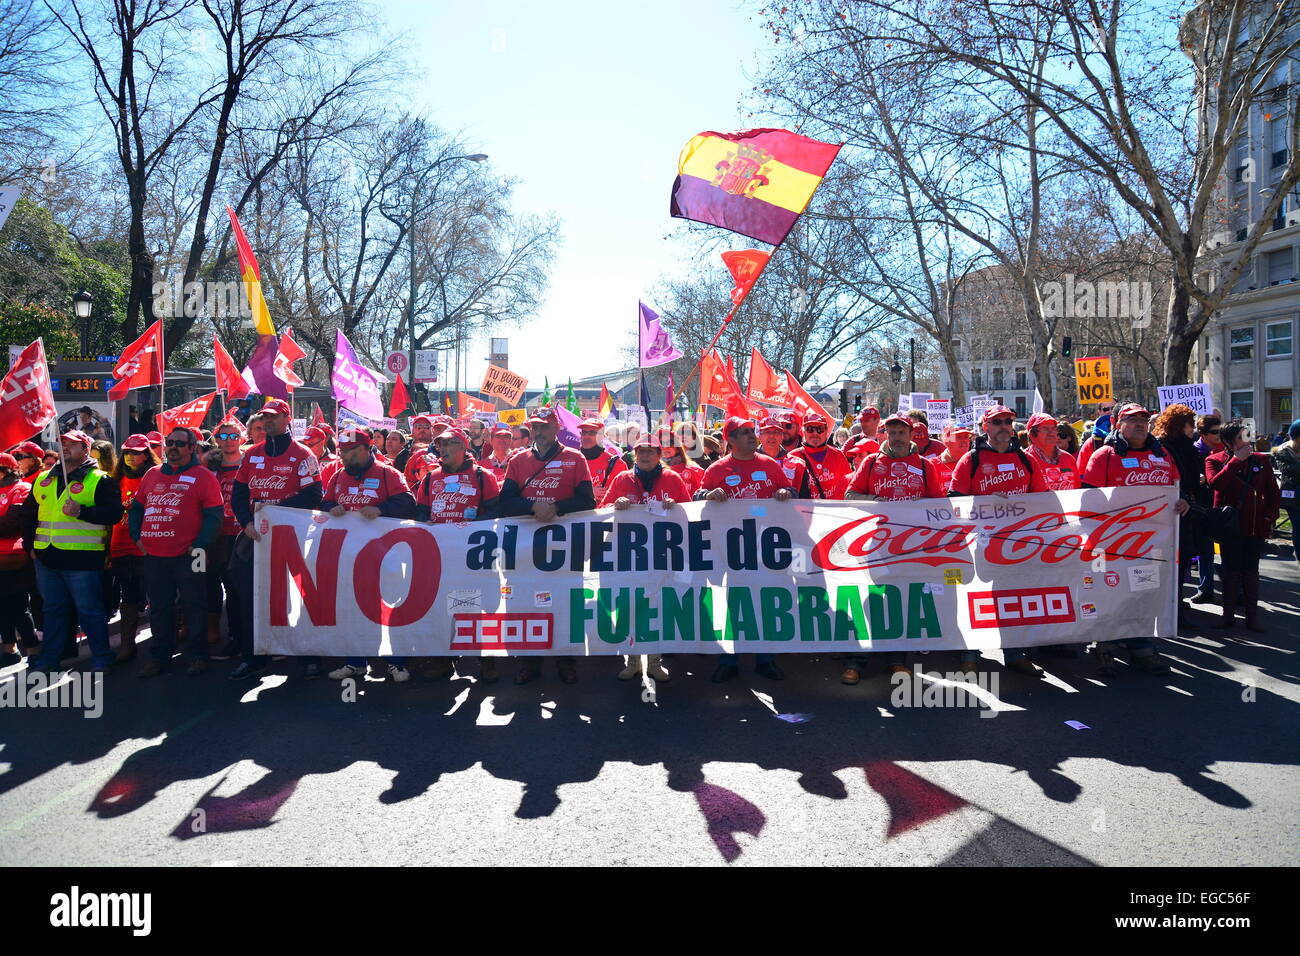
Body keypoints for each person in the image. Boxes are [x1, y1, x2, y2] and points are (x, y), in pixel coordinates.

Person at [1081, 403, 1190, 674]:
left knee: (1141, 595)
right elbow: (1087, 498)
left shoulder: (1162, 453)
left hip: (1150, 544)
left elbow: (1175, 491)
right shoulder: (1104, 455)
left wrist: (1182, 503)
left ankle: (1140, 648)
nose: (1140, 423)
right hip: (1110, 544)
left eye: (1143, 418)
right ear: (1118, 424)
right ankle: (1104, 648)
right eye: (1132, 419)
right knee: (1108, 594)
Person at [227, 399, 323, 680]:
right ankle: (252, 656)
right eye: (263, 417)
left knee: (298, 598)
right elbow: (239, 494)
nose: (267, 421)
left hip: (291, 537)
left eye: (273, 417)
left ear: (286, 418)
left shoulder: (303, 454)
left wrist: (282, 508)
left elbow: (314, 494)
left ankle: (308, 657)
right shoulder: (252, 454)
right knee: (249, 597)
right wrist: (245, 522)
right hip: (256, 536)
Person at [948, 406, 1048, 675]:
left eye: (1008, 421)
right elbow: (953, 501)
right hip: (978, 544)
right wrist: (987, 500)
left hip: (1016, 545)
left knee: (1012, 599)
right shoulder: (971, 460)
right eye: (997, 422)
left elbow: (1044, 499)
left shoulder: (1027, 460)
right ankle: (969, 653)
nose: (1004, 426)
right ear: (985, 427)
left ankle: (1014, 654)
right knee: (974, 597)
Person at [498, 408, 595, 684]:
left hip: (565, 548)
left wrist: (555, 508)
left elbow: (588, 501)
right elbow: (505, 502)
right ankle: (530, 662)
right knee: (527, 603)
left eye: (545, 427)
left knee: (565, 604)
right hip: (527, 548)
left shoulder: (574, 458)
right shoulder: (518, 460)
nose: (539, 432)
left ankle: (566, 661)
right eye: (536, 427)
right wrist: (533, 507)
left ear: (556, 428)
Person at [697, 417, 794, 683]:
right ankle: (729, 661)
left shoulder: (770, 465)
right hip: (731, 549)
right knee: (732, 605)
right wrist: (707, 496)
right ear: (730, 440)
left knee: (765, 602)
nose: (752, 436)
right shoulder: (717, 469)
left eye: (753, 431)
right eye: (745, 433)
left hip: (765, 546)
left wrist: (786, 492)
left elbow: (791, 492)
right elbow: (696, 500)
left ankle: (766, 660)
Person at [18, 431, 123, 673]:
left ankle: (102, 658)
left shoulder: (100, 479)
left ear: (85, 450)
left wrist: (82, 512)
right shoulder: (44, 477)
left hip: (82, 559)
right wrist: (30, 547)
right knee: (52, 611)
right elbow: (28, 516)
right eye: (62, 443)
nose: (64, 447)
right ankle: (49, 660)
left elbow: (114, 514)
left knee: (90, 611)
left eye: (72, 445)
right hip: (46, 558)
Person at [323, 426, 419, 683]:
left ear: (367, 449)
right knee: (351, 610)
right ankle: (355, 663)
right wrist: (332, 507)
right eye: (343, 451)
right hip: (348, 557)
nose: (346, 456)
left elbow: (408, 503)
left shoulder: (388, 474)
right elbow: (323, 504)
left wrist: (381, 509)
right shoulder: (337, 476)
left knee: (389, 609)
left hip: (385, 556)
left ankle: (395, 663)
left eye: (352, 451)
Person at [129, 427, 224, 676]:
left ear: (192, 448)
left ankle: (197, 656)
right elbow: (137, 509)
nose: (173, 447)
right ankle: (160, 657)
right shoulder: (152, 474)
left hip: (190, 555)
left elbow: (214, 515)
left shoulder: (204, 476)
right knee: (159, 608)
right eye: (169, 442)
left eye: (179, 443)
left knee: (195, 605)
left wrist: (200, 544)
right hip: (154, 554)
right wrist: (137, 537)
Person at [600, 437, 689, 683]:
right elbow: (602, 509)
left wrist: (677, 506)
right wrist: (614, 504)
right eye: (640, 452)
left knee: (658, 608)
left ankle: (655, 662)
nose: (645, 456)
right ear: (635, 455)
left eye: (650, 452)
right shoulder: (622, 479)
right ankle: (633, 661)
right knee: (630, 608)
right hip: (629, 558)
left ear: (659, 455)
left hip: (662, 557)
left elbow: (690, 513)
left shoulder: (673, 479)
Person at [413, 427, 499, 681]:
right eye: (440, 445)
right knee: (443, 608)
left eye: (450, 444)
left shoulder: (483, 476)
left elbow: (496, 513)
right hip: (442, 556)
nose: (444, 449)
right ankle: (444, 659)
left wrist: (469, 527)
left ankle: (487, 661)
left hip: (475, 557)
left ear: (463, 448)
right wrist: (425, 522)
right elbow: (420, 512)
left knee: (478, 609)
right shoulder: (430, 478)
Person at [1206, 422, 1281, 632]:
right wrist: (1235, 462)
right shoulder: (1215, 460)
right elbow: (1215, 484)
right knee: (1230, 570)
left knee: (1251, 570)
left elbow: (1273, 492)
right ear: (1228, 442)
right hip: (1230, 526)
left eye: (1246, 436)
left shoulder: (1261, 460)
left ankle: (1252, 617)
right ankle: (1227, 616)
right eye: (1240, 437)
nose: (1245, 441)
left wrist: (1270, 517)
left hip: (1255, 525)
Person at [106, 435, 158, 663]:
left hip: (149, 548)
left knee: (156, 596)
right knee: (127, 598)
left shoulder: (156, 477)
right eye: (126, 452)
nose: (130, 456)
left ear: (146, 454)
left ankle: (161, 644)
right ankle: (127, 645)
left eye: (136, 452)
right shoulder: (114, 481)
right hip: (120, 547)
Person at [1151, 403, 1204, 623]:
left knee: (1182, 558)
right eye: (1190, 424)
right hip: (1171, 508)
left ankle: (1176, 600)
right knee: (1169, 558)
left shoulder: (1188, 446)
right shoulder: (1163, 447)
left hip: (1186, 506)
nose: (1193, 429)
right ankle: (1169, 606)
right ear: (1179, 425)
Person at [205, 419, 246, 660]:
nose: (229, 441)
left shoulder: (251, 462)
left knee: (246, 590)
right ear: (217, 440)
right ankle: (234, 638)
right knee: (227, 590)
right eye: (224, 436)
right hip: (219, 537)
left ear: (241, 438)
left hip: (246, 535)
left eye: (233, 436)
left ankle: (253, 639)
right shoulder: (210, 467)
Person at [0, 454, 39, 666]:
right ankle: (9, 649)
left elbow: (13, 523)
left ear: (6, 470)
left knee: (18, 606)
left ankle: (33, 649)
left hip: (14, 557)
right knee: (2, 606)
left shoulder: (22, 488)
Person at [1190, 413, 1224, 603]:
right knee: (1205, 551)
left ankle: (1235, 590)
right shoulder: (1194, 452)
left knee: (1228, 550)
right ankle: (1206, 589)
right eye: (1214, 432)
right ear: (1203, 434)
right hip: (1203, 506)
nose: (1218, 435)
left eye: (1219, 430)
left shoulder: (1226, 450)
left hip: (1222, 505)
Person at [788, 412, 852, 499]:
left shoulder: (838, 455)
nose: (815, 433)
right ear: (803, 431)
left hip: (833, 511)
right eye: (810, 429)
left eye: (819, 429)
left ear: (826, 431)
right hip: (804, 511)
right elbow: (787, 488)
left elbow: (849, 485)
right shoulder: (792, 457)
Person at [1024, 412, 1080, 491]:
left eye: (1054, 428)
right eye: (1045, 429)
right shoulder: (1023, 460)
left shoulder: (1069, 459)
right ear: (1032, 435)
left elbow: (1076, 490)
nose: (1051, 433)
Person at [578, 418, 628, 505]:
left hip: (604, 516)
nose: (586, 436)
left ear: (602, 436)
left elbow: (624, 495)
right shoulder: (571, 461)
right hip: (575, 516)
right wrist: (589, 492)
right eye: (584, 432)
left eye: (592, 433)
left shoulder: (616, 464)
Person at [1272, 419, 1300, 565]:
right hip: (1293, 496)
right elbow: (1287, 470)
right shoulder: (1283, 451)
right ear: (1296, 437)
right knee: (1298, 527)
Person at [933, 424, 973, 488]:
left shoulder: (976, 462)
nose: (964, 440)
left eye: (966, 436)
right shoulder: (932, 465)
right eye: (958, 437)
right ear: (947, 441)